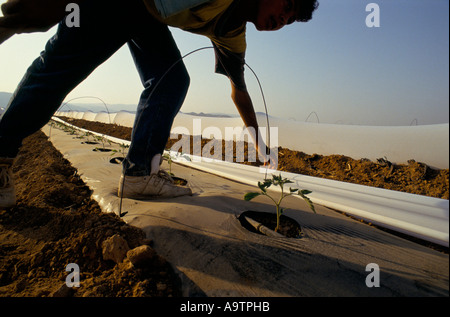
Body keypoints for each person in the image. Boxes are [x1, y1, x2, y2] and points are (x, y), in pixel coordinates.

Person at [0, 0, 319, 208]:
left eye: (290, 20)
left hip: (143, 13)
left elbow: (239, 91)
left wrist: (259, 144)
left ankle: (139, 174)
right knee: (60, 67)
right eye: (287, 4)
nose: (284, 18)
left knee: (171, 80)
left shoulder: (232, 31)